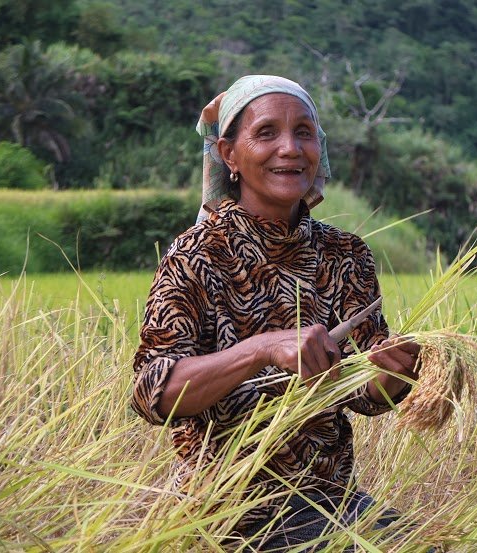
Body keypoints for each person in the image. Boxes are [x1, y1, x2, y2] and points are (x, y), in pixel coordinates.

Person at [131, 74, 420, 550]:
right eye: (266, 133)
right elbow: (152, 393)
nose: (289, 148)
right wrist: (262, 349)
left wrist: (394, 374)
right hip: (225, 508)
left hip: (331, 500)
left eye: (303, 132)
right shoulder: (197, 255)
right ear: (229, 154)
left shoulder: (344, 254)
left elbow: (369, 398)